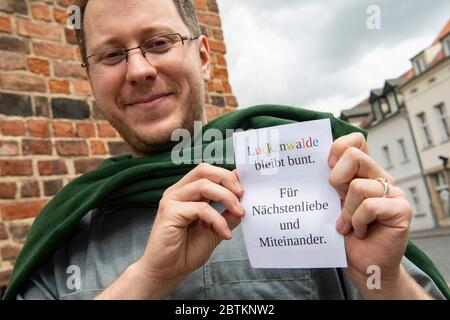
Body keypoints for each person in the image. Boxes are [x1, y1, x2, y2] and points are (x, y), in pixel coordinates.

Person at [6, 0, 448, 300]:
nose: (138, 69)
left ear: (203, 57)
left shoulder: (320, 181)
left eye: (159, 43)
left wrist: (384, 283)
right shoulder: (66, 229)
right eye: (110, 55)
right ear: (90, 78)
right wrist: (147, 279)